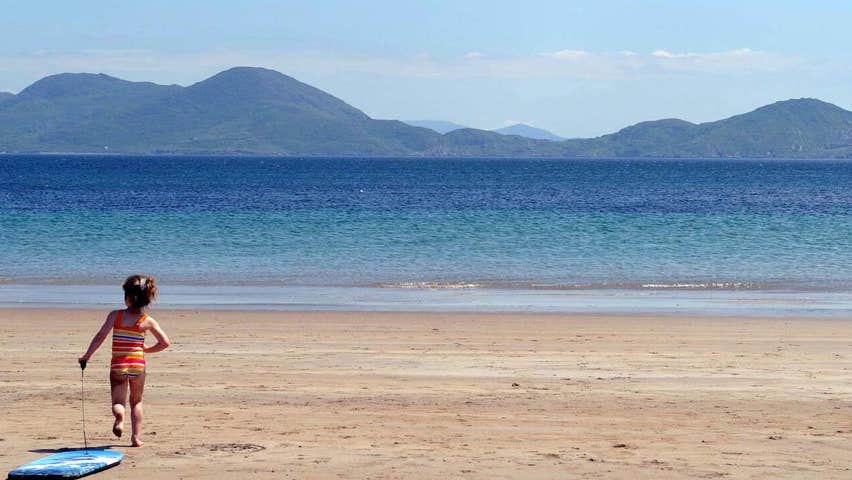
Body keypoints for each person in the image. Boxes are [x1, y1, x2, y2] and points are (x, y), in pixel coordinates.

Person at [79, 275, 170, 447]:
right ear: (147, 299)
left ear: (127, 297)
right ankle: (136, 438)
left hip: (118, 366)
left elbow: (100, 337)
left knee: (118, 402)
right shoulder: (147, 321)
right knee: (136, 401)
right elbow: (164, 343)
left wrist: (87, 356)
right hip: (138, 366)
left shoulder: (116, 316)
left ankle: (119, 418)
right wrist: (146, 350)